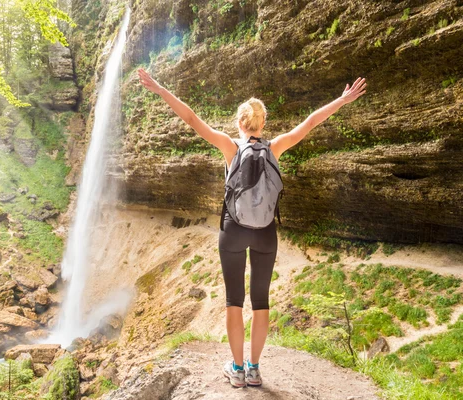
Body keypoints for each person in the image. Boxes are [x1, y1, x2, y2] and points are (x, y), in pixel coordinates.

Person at [137, 67, 367, 388]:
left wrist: (160, 89)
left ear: (240, 124)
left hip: (233, 230)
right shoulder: (276, 148)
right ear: (262, 125)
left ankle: (237, 369)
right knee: (260, 301)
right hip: (265, 234)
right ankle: (255, 369)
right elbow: (311, 122)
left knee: (234, 300)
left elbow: (191, 119)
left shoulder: (230, 147)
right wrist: (342, 100)